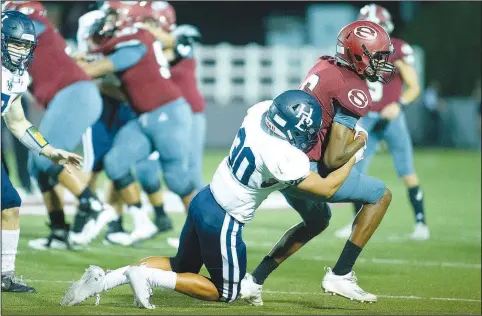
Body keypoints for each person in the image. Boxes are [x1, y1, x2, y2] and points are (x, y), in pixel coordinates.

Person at [60, 90, 358, 308]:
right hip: (225, 218)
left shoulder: (259, 112)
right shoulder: (284, 157)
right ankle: (148, 277)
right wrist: (354, 151)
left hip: (205, 198)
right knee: (226, 291)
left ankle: (104, 280)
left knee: (181, 265)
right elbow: (327, 189)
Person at [241, 20, 395, 304]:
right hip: (306, 170)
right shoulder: (352, 87)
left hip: (285, 162)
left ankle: (254, 280)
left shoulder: (325, 65)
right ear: (359, 54)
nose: (382, 65)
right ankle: (341, 274)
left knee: (318, 220)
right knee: (381, 196)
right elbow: (334, 157)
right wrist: (360, 141)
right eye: (378, 58)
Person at [5, 1, 114, 250]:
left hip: (75, 94)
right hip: (69, 96)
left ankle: (92, 205)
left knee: (45, 160)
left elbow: (24, 31)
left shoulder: (32, 26)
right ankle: (59, 230)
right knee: (38, 166)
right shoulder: (38, 36)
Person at [1, 10, 83, 292]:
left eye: (26, 46)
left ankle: (4, 275)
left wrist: (50, 152)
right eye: (15, 43)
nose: (21, 52)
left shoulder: (15, 76)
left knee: (10, 203)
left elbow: (18, 122)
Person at [334, 4, 429, 241]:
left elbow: (415, 86)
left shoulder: (396, 48)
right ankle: (356, 225)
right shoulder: (355, 50)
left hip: (392, 117)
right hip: (366, 117)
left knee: (406, 171)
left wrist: (400, 104)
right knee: (354, 172)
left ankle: (421, 224)